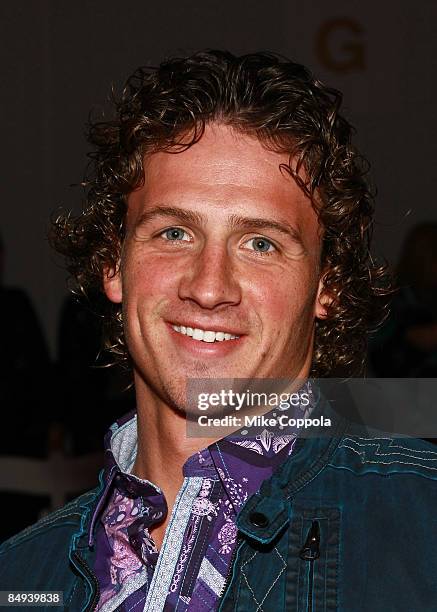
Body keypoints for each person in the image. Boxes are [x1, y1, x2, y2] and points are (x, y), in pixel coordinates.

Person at [1, 50, 437, 611]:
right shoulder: (21, 577)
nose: (209, 288)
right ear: (114, 263)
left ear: (326, 285)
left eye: (261, 244)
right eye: (174, 233)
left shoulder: (421, 533)